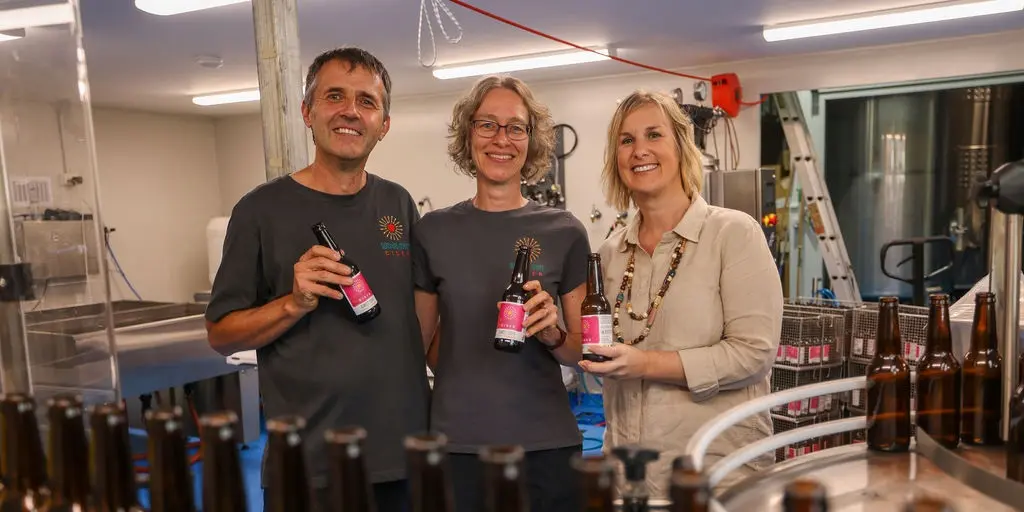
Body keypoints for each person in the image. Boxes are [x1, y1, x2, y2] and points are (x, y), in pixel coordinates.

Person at [204, 47, 429, 511]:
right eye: (334, 96)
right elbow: (220, 335)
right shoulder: (260, 210)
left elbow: (422, 322)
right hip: (308, 467)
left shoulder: (399, 204)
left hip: (401, 458)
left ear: (384, 125)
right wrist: (293, 302)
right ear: (308, 112)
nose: (351, 111)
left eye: (367, 101)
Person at [578, 89, 783, 498]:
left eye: (654, 135)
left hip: (713, 476)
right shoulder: (610, 253)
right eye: (627, 140)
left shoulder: (733, 234)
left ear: (681, 148)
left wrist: (644, 364)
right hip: (631, 476)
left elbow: (754, 353)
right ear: (615, 159)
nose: (640, 150)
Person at [411, 75, 590, 511]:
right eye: (487, 124)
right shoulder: (432, 231)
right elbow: (420, 345)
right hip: (458, 445)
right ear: (468, 134)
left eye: (515, 127)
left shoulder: (565, 232)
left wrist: (551, 335)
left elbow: (582, 350)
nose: (501, 139)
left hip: (545, 444)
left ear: (532, 140)